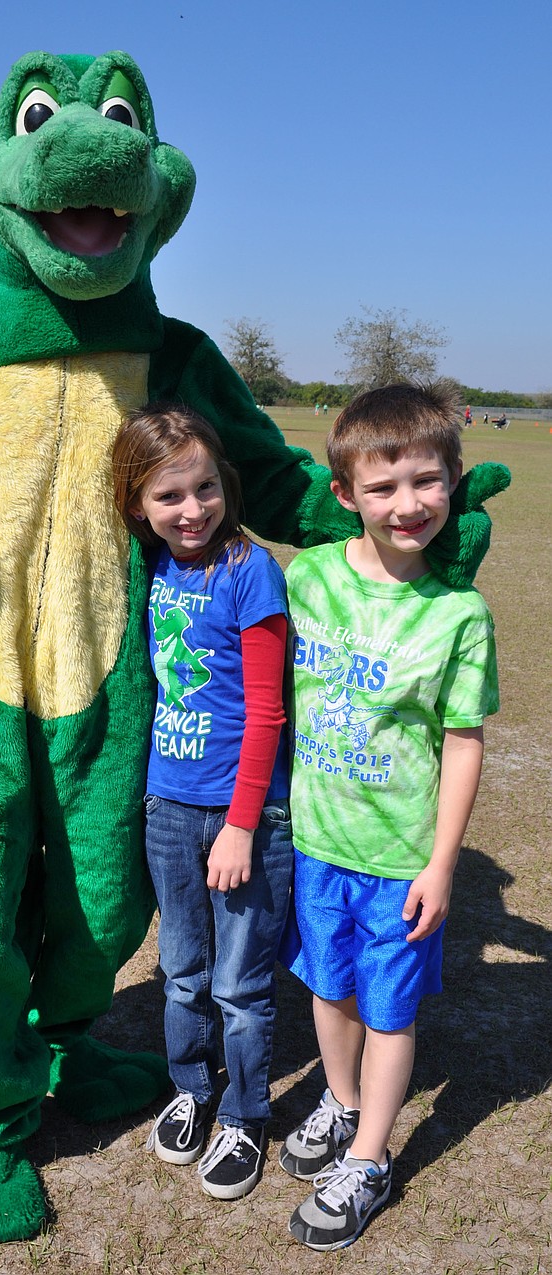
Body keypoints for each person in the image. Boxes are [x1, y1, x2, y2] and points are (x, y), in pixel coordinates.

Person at [278, 382, 498, 1250]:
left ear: (453, 479)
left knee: (390, 1010)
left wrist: (443, 862)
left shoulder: (459, 615)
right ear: (345, 495)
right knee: (327, 989)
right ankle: (343, 1097)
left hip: (400, 857)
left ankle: (369, 1157)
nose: (407, 504)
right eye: (383, 486)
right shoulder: (310, 575)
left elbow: (464, 741)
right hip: (314, 841)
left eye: (426, 481)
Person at [112, 403, 292, 1201]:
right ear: (138, 506)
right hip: (167, 809)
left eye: (205, 488)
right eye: (169, 497)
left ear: (227, 483)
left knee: (240, 985)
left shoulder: (250, 570)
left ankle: (246, 1114)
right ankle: (193, 1085)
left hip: (241, 818)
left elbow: (268, 711)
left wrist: (244, 825)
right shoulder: (152, 567)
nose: (192, 511)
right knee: (182, 970)